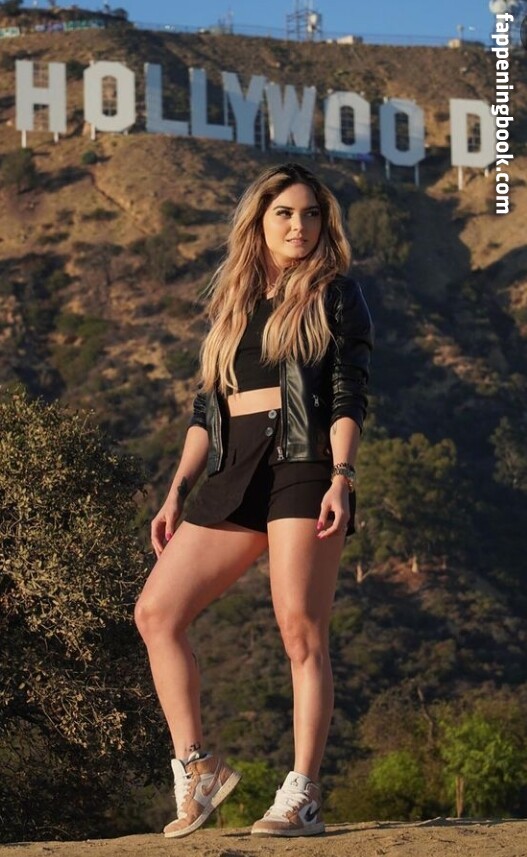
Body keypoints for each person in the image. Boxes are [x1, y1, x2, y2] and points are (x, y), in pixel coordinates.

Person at [134, 162, 374, 839]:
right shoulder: (232, 302)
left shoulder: (334, 294)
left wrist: (342, 475)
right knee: (156, 612)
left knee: (300, 630)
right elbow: (204, 411)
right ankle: (198, 767)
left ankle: (302, 794)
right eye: (285, 214)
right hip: (232, 468)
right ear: (259, 222)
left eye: (311, 214)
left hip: (302, 464)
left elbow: (348, 393)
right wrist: (176, 492)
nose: (300, 226)